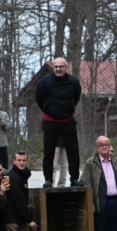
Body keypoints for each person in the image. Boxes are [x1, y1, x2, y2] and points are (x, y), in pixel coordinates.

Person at [35, 57, 83, 188]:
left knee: (73, 152)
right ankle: (48, 180)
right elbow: (39, 99)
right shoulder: (44, 82)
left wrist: (68, 108)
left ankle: (74, 179)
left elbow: (76, 97)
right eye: (56, 66)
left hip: (68, 120)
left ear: (66, 67)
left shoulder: (74, 82)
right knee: (49, 153)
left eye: (61, 66)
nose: (58, 69)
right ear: (53, 67)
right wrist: (49, 109)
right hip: (50, 121)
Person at [3, 151, 38, 231]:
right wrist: (30, 220)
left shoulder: (24, 176)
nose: (22, 163)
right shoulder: (12, 176)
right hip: (11, 217)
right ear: (14, 161)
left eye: (24, 160)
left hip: (21, 218)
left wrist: (25, 219)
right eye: (19, 160)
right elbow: (19, 200)